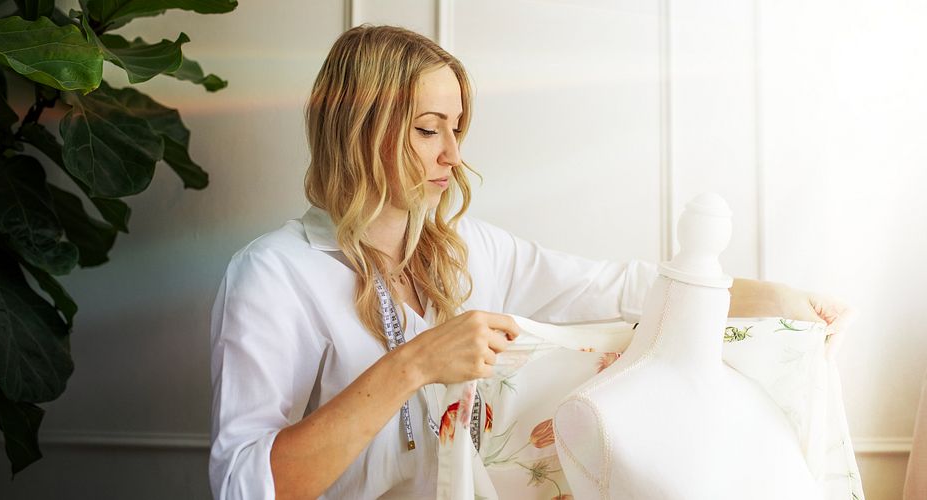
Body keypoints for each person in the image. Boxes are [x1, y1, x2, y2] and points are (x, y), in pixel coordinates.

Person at [208, 25, 854, 500]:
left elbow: (627, 290)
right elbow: (246, 487)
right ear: (358, 128)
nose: (453, 156)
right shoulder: (273, 276)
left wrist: (785, 303)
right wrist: (417, 364)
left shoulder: (473, 253)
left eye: (457, 130)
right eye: (429, 129)